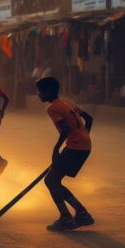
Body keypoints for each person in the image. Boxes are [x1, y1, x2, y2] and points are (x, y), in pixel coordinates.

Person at [36, 76, 95, 232]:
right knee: (53, 180)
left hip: (76, 147)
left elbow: (65, 129)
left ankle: (66, 218)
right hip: (83, 146)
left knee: (50, 180)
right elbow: (89, 119)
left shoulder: (52, 108)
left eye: (40, 91)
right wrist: (83, 136)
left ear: (48, 91)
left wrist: (56, 149)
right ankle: (81, 214)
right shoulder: (66, 101)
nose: (38, 94)